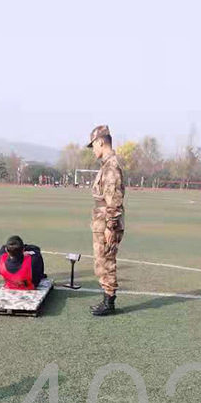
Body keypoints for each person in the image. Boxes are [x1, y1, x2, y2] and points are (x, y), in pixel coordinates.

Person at [88, 124, 126, 316]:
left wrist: (110, 226)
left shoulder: (111, 166)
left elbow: (114, 199)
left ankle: (109, 302)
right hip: (102, 220)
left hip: (107, 222)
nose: (93, 149)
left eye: (93, 145)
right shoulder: (107, 165)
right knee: (102, 261)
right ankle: (106, 299)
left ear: (100, 142)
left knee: (107, 260)